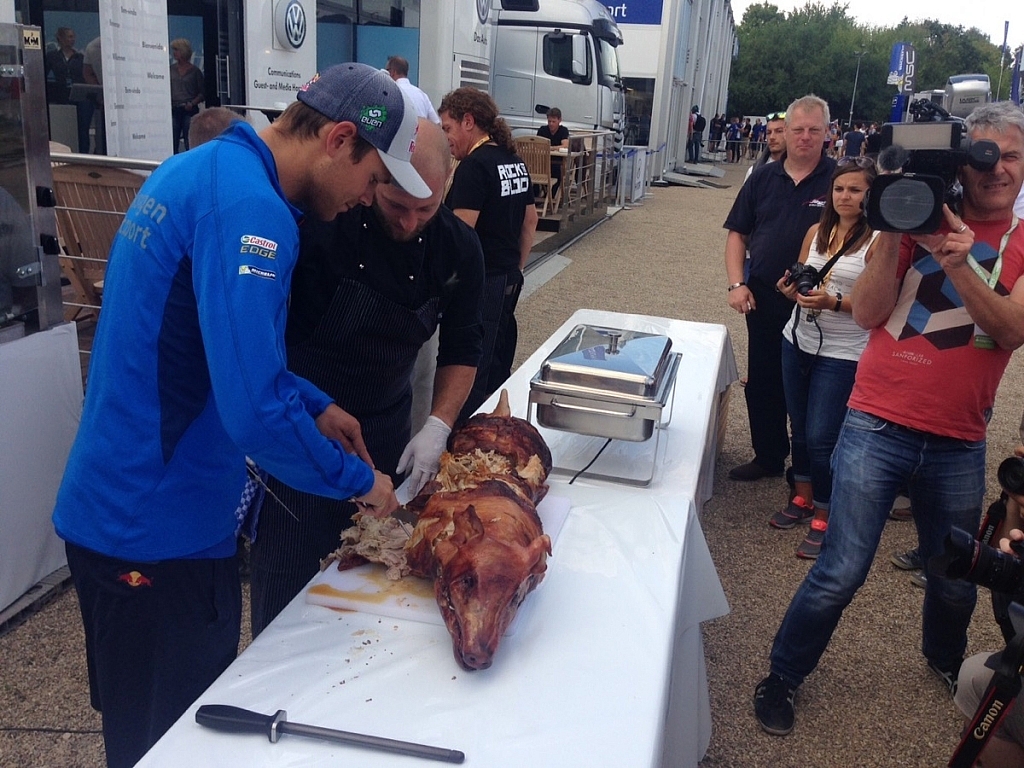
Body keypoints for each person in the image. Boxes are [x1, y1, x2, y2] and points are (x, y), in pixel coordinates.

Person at [50, 62, 429, 768]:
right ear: (339, 138)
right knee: (168, 748)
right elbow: (252, 410)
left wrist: (315, 405)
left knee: (147, 729)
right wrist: (358, 481)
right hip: (158, 534)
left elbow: (215, 349)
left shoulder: (197, 170)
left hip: (124, 513)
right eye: (374, 179)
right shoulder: (253, 213)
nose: (368, 200)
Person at [754, 101, 1024, 737]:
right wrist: (900, 226)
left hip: (960, 436)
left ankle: (942, 658)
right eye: (982, 156)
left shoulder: (1019, 241)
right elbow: (871, 314)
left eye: (1010, 155)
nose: (996, 169)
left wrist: (958, 260)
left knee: (953, 574)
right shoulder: (901, 217)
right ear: (957, 160)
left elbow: (1011, 330)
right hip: (878, 420)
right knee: (841, 567)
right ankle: (783, 674)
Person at [248, 119, 485, 635]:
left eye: (425, 209)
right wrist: (295, 412)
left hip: (385, 432)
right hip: (303, 428)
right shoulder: (323, 224)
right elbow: (261, 341)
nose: (408, 222)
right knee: (288, 599)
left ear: (448, 182)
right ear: (376, 179)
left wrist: (438, 426)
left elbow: (465, 347)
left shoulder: (459, 249)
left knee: (376, 590)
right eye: (396, 205)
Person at [723, 95, 836, 482]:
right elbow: (738, 234)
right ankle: (769, 456)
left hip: (819, 301)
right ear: (784, 132)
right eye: (797, 129)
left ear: (827, 133)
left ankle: (812, 465)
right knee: (764, 379)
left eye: (813, 130)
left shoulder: (840, 181)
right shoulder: (762, 179)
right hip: (765, 296)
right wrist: (737, 284)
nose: (805, 137)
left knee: (816, 384)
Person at [771, 159, 878, 558]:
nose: (845, 196)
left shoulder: (877, 241)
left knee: (821, 436)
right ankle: (801, 497)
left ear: (870, 195)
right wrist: (790, 289)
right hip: (796, 337)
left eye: (854, 190)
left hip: (843, 351)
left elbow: (876, 305)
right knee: (798, 426)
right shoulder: (817, 231)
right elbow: (804, 274)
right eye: (839, 189)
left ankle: (826, 511)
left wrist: (833, 302)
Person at [439, 87, 538, 423]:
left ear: (469, 121)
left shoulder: (474, 167)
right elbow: (531, 219)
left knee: (471, 367)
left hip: (480, 280)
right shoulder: (514, 161)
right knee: (497, 360)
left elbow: (461, 234)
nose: (447, 138)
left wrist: (444, 284)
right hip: (508, 276)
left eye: (448, 128)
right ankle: (497, 426)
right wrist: (517, 267)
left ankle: (470, 437)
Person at [44, 27, 94, 153]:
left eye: (73, 37)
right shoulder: (52, 57)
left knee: (83, 128)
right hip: (62, 97)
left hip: (80, 96)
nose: (72, 40)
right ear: (60, 38)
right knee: (64, 127)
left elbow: (87, 75)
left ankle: (84, 156)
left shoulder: (80, 57)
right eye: (69, 37)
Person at [170, 38, 205, 153]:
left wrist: (192, 103)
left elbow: (202, 93)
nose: (174, 53)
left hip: (189, 110)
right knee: (173, 140)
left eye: (176, 50)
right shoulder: (170, 70)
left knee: (189, 141)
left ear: (183, 51)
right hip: (174, 109)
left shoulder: (195, 72)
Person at [385, 55, 440, 124]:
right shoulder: (422, 94)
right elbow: (436, 123)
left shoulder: (390, 93)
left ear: (393, 72)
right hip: (422, 133)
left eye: (387, 70)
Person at [538, 106, 570, 198]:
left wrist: (550, 148)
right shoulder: (542, 130)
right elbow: (538, 144)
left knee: (558, 171)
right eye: (549, 121)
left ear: (559, 120)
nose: (551, 124)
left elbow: (566, 145)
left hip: (557, 162)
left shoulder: (563, 130)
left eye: (553, 121)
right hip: (543, 162)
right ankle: (537, 196)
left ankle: (550, 197)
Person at [745, 111, 786, 181]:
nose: (772, 137)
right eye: (768, 132)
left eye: (779, 131)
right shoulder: (754, 171)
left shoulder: (802, 170)